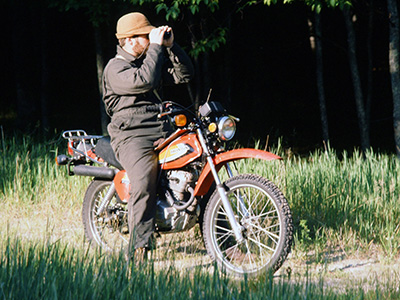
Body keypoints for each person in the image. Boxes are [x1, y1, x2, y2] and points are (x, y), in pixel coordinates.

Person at [102, 12, 194, 261]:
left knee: (199, 162)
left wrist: (171, 46)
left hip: (161, 127)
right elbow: (144, 80)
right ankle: (138, 249)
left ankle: (224, 237)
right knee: (143, 179)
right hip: (132, 136)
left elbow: (184, 75)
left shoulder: (149, 59)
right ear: (130, 40)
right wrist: (155, 47)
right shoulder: (115, 68)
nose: (152, 38)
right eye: (146, 34)